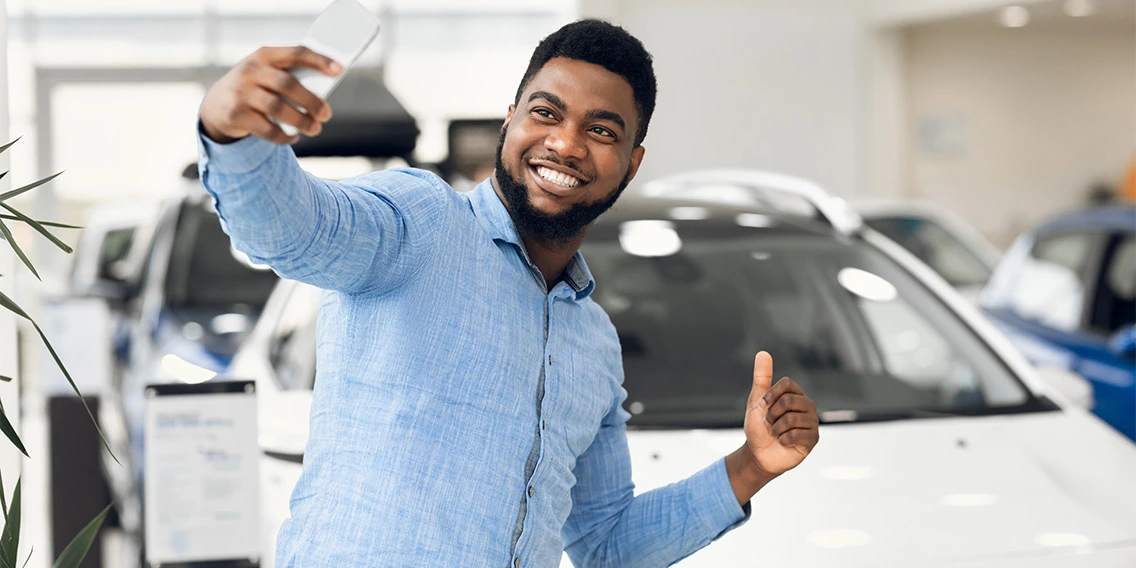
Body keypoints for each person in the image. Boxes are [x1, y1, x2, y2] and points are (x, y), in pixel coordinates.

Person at [197, 19, 820, 567]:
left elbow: (606, 544)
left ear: (631, 163)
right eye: (545, 113)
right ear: (511, 120)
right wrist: (233, 137)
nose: (566, 143)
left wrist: (751, 467)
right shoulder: (421, 223)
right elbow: (293, 229)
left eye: (601, 131)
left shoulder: (594, 343)